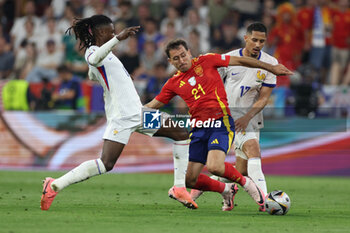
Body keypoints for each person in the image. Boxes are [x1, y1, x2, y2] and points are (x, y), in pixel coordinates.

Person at [40, 15, 194, 211]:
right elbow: (94, 60)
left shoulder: (109, 55)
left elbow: (93, 72)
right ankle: (54, 185)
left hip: (138, 113)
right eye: (110, 32)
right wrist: (118, 39)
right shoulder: (92, 51)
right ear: (98, 33)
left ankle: (179, 187)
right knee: (106, 164)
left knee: (181, 134)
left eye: (114, 32)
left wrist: (95, 73)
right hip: (122, 117)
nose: (113, 34)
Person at [145, 39, 292, 211]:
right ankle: (226, 190)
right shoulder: (173, 83)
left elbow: (241, 60)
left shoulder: (207, 60)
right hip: (198, 129)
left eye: (183, 55)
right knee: (189, 179)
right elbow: (150, 107)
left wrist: (270, 67)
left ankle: (248, 185)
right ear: (170, 61)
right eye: (176, 58)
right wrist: (127, 115)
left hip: (220, 122)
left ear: (189, 52)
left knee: (214, 166)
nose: (181, 60)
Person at [192, 22, 280, 211]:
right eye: (254, 40)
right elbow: (211, 81)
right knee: (253, 149)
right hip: (226, 116)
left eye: (262, 41)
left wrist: (247, 117)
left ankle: (212, 188)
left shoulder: (270, 64)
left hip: (249, 118)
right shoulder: (230, 58)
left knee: (241, 170)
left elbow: (264, 98)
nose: (257, 44)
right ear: (246, 38)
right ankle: (265, 201)